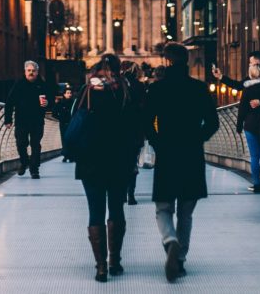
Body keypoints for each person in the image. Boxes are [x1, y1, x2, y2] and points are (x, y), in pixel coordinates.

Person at [144, 42, 219, 282]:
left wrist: (157, 142)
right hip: (191, 154)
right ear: (186, 61)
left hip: (167, 154)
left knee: (163, 207)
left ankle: (170, 241)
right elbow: (213, 123)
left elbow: (146, 122)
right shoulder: (198, 88)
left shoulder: (157, 89)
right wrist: (197, 138)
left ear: (166, 62)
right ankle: (181, 260)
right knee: (186, 212)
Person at [73, 54, 137, 282]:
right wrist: (132, 156)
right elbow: (136, 128)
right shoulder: (126, 91)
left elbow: (75, 122)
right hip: (119, 160)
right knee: (117, 209)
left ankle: (100, 267)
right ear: (120, 69)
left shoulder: (87, 91)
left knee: (95, 212)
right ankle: (115, 261)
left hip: (91, 161)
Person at [3, 60, 51, 179]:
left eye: (33, 71)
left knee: (35, 145)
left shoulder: (43, 85)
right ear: (25, 72)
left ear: (37, 72)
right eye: (29, 70)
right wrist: (8, 120)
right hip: (21, 121)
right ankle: (24, 162)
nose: (31, 73)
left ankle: (34, 170)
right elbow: (9, 102)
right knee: (21, 143)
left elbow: (51, 101)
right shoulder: (19, 84)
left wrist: (47, 104)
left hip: (37, 121)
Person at [234, 60, 260, 192]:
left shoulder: (248, 89)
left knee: (254, 156)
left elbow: (242, 108)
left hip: (250, 125)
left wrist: (238, 125)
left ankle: (256, 183)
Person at [121, 62, 147, 204]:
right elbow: (145, 109)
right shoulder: (140, 86)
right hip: (135, 131)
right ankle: (131, 194)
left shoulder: (116, 85)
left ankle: (122, 193)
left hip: (118, 132)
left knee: (120, 163)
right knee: (132, 162)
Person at [53, 86, 75, 162]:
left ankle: (70, 156)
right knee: (64, 139)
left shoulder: (74, 103)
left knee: (71, 139)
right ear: (64, 94)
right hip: (63, 124)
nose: (69, 94)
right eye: (68, 93)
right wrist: (61, 119)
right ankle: (66, 155)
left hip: (72, 124)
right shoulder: (60, 103)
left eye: (70, 93)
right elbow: (54, 113)